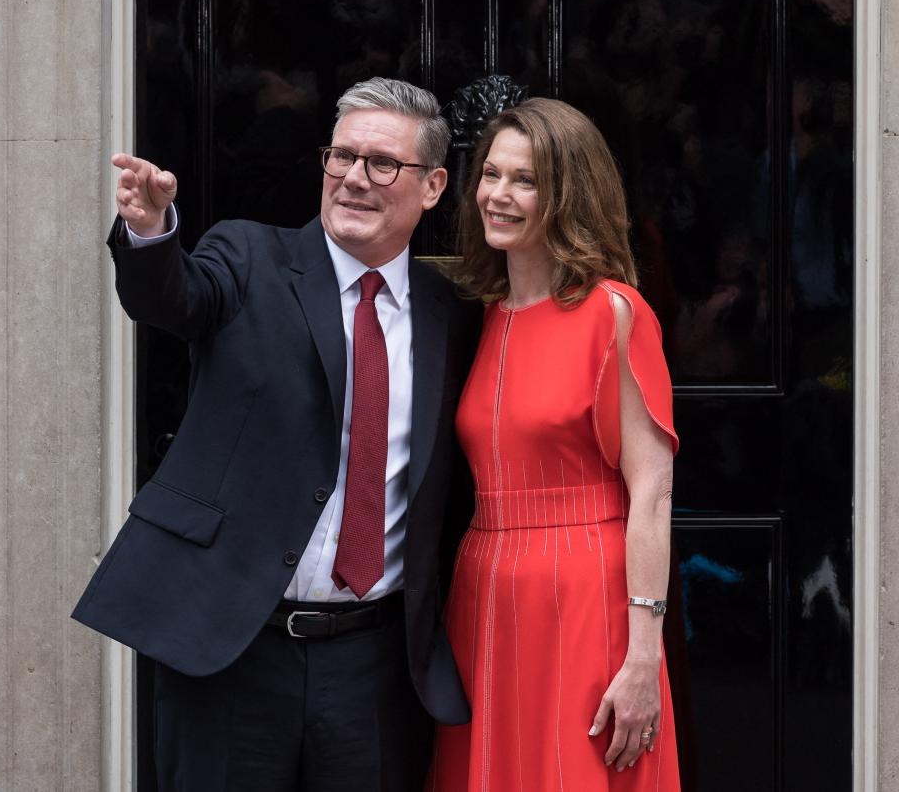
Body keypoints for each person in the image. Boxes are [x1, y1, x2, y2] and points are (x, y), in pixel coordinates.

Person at [72, 78, 481, 791]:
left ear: (433, 184)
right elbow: (172, 298)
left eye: (381, 163)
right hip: (233, 649)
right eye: (341, 156)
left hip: (376, 666)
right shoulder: (250, 258)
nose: (354, 178)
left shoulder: (451, 315)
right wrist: (149, 232)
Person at [429, 98, 681, 791]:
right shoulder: (477, 316)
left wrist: (641, 660)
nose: (498, 195)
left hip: (584, 597)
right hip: (484, 594)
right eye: (491, 174)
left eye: (525, 180)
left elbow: (652, 494)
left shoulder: (614, 314)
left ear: (568, 193)